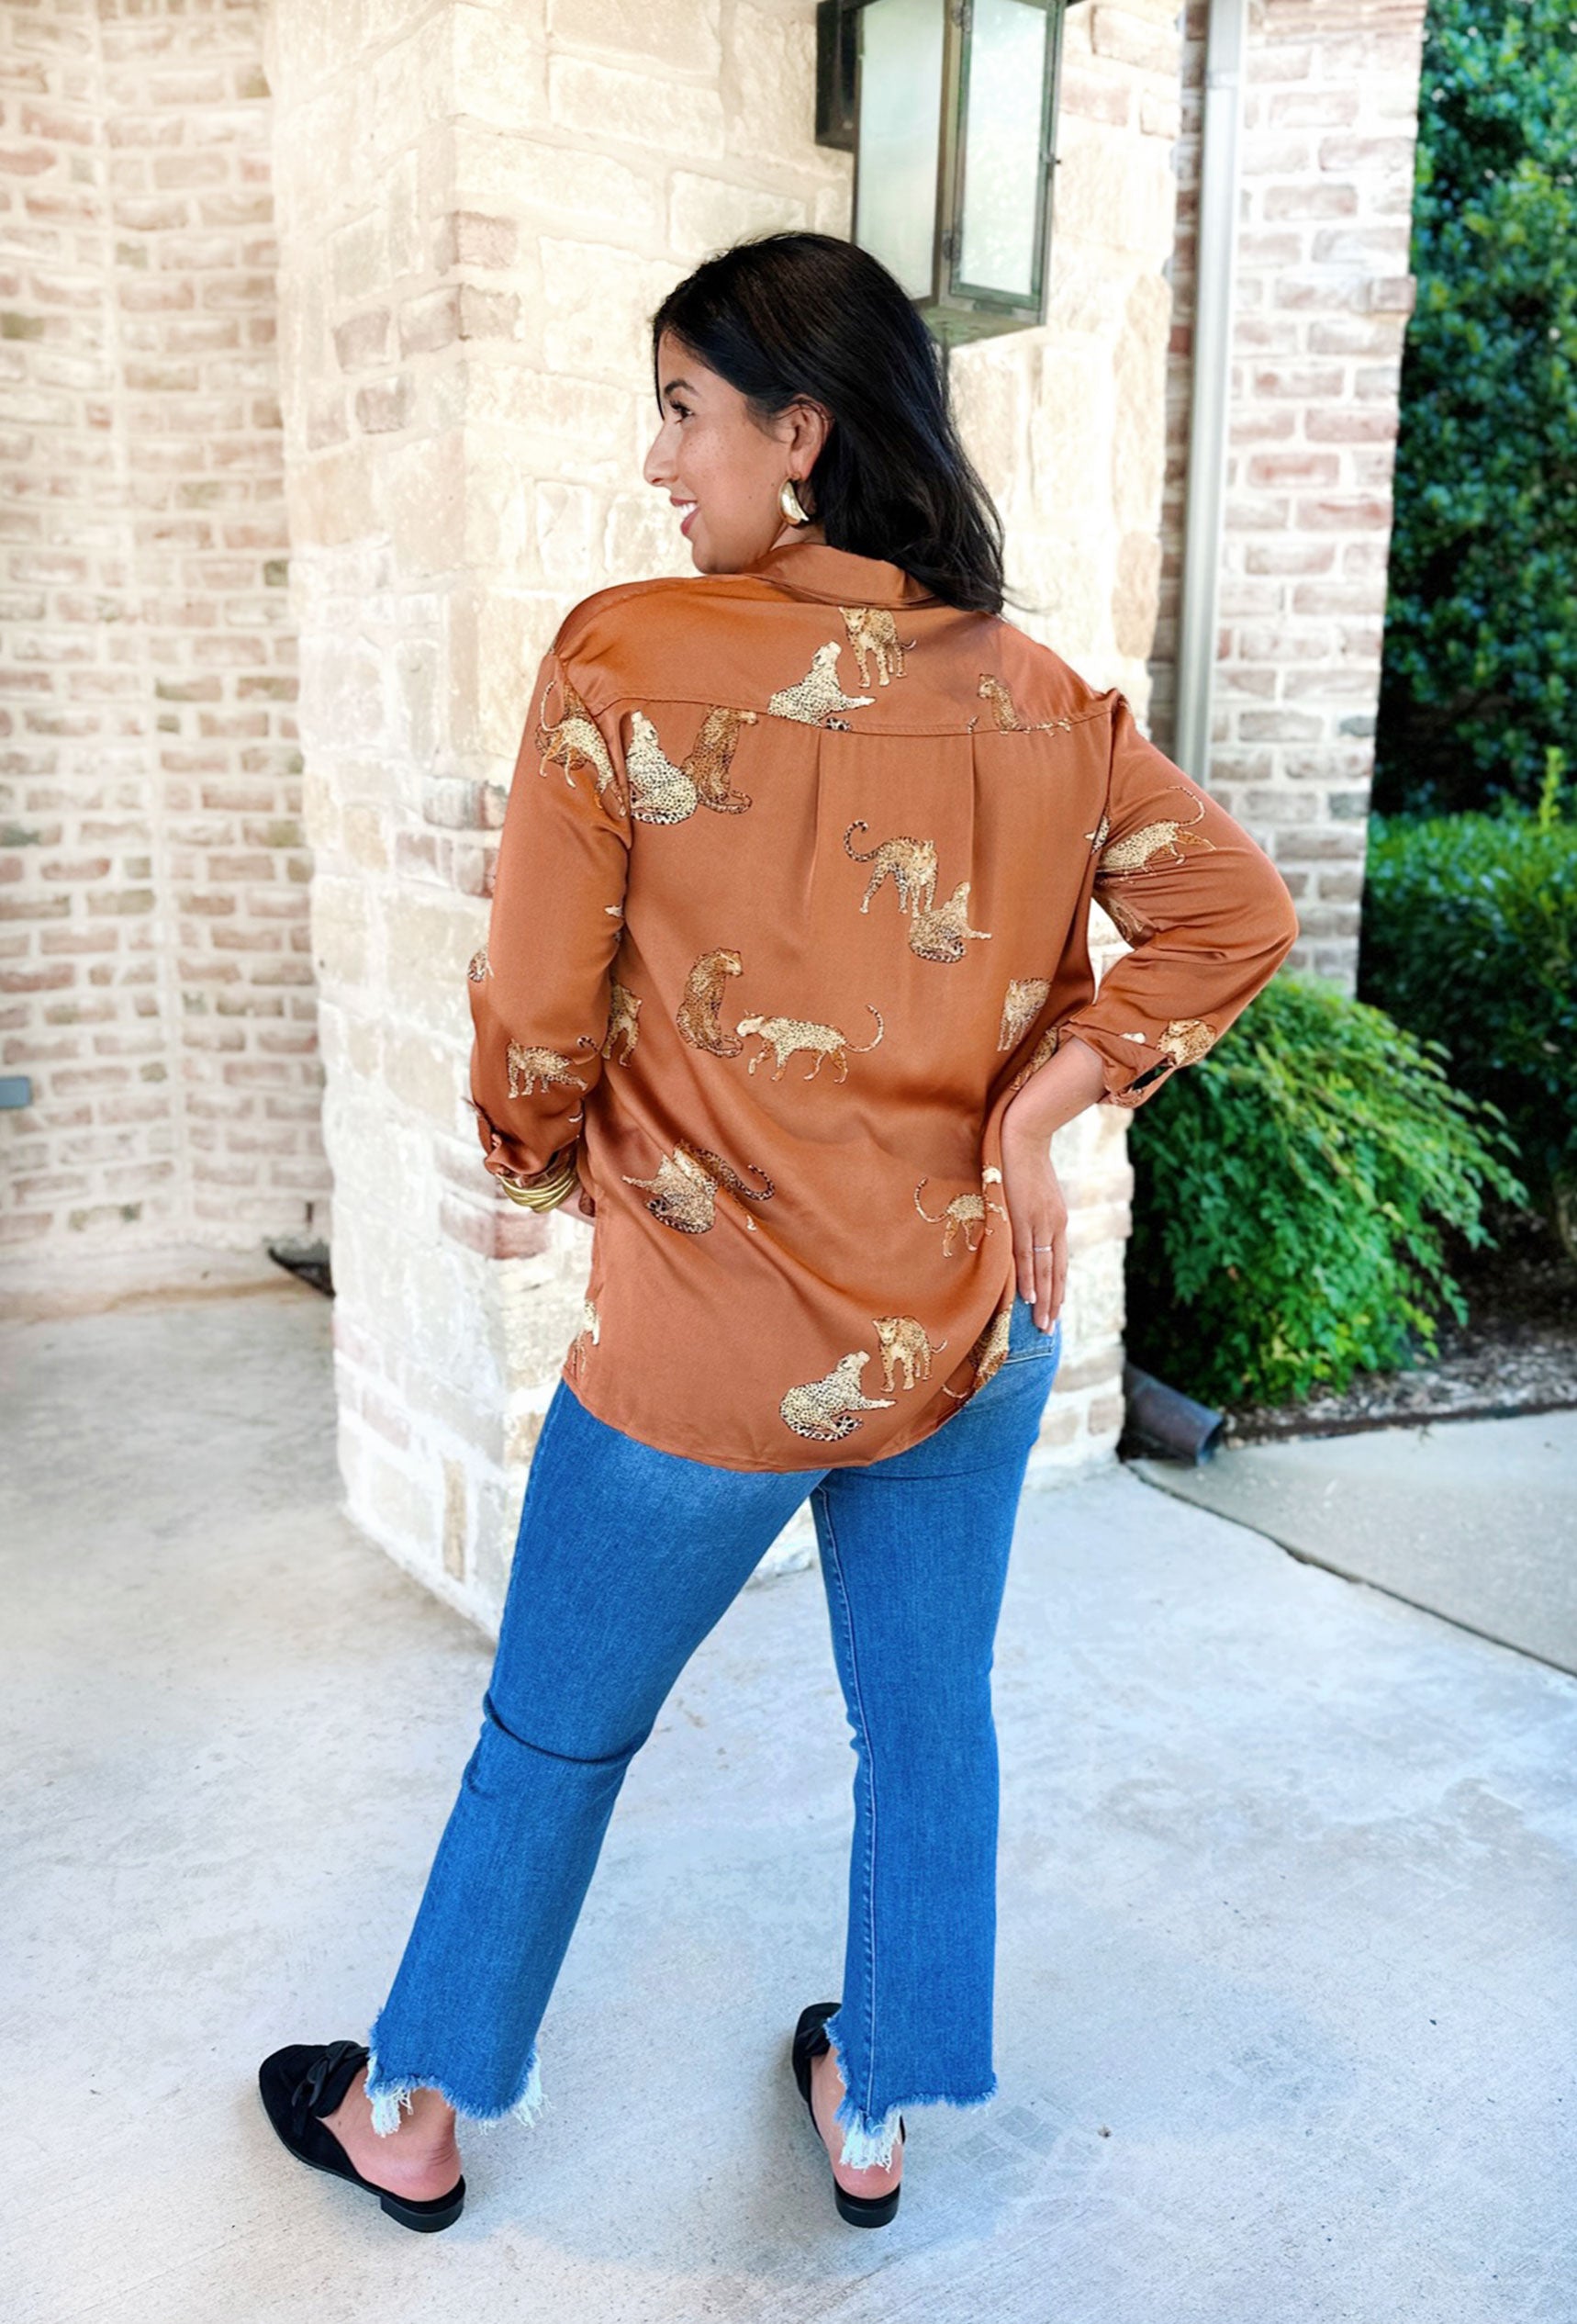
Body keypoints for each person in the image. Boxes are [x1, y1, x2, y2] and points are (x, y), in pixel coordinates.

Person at [259, 231, 1300, 2234]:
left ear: (798, 432)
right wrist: (1046, 1107)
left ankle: (409, 2113)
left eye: (683, 411)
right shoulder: (1041, 701)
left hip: (700, 1357)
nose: (660, 462)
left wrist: (530, 1166)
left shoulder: (622, 662)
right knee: (925, 1734)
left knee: (554, 1736)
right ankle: (876, 2110)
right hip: (965, 1337)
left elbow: (537, 1008)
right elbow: (1231, 914)